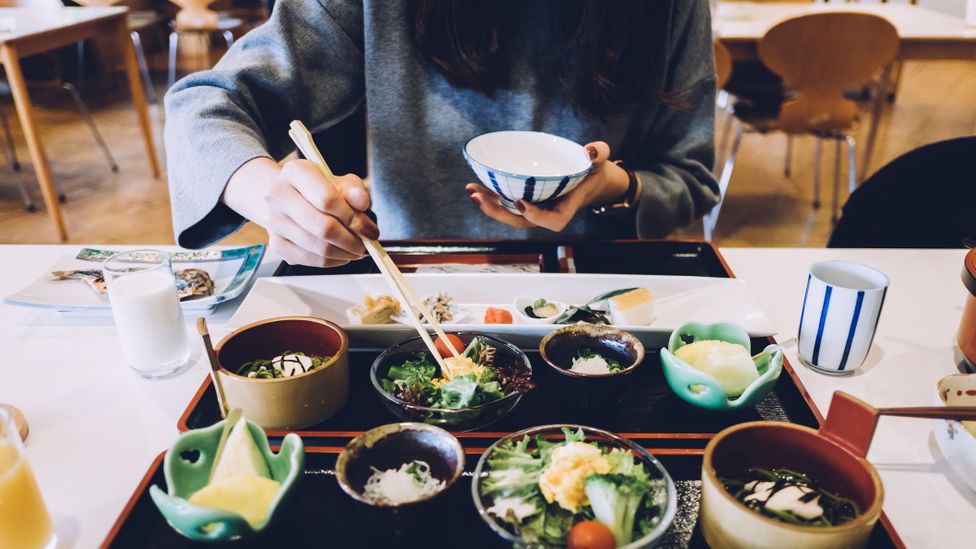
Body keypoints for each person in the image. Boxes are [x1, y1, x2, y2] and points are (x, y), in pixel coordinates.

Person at [166, 0, 719, 268]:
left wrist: (612, 187)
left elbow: (690, 180)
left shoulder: (667, 7)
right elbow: (207, 104)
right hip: (410, 279)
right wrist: (270, 196)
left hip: (595, 290)